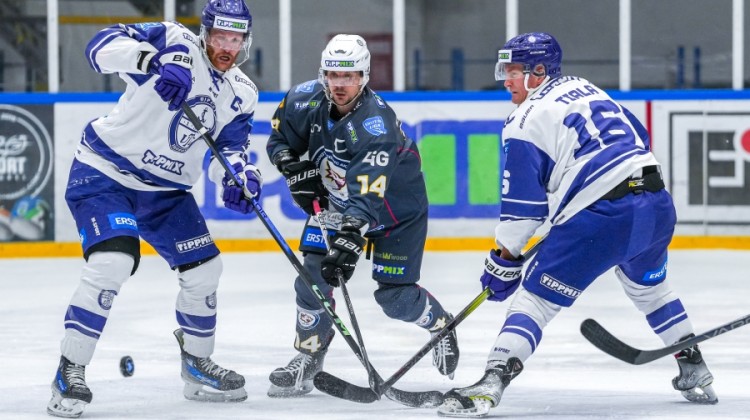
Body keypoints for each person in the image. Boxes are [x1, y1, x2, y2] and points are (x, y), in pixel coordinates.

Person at [437, 32, 718, 417]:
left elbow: (523, 210)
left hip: (602, 217)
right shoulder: (585, 88)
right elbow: (639, 136)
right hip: (656, 205)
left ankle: (491, 382)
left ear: (538, 72)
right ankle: (694, 366)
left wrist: (504, 259)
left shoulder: (523, 120)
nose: (506, 80)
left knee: (534, 300)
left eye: (514, 71)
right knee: (651, 291)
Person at [47, 0, 261, 417]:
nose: (226, 47)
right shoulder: (174, 39)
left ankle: (197, 365)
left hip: (166, 193)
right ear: (206, 33)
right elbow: (98, 47)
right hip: (106, 172)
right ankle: (69, 370)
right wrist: (152, 60)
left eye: (235, 39)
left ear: (245, 42)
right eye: (220, 37)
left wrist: (239, 178)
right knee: (112, 262)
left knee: (205, 271)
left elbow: (230, 150)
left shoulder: (242, 93)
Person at [265, 34, 459, 397]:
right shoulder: (303, 100)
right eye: (333, 75)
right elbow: (279, 141)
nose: (340, 85)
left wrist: (350, 238)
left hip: (395, 213)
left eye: (349, 76)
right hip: (337, 205)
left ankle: (441, 325)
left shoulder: (376, 125)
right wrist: (293, 168)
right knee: (311, 279)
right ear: (323, 74)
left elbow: (367, 196)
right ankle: (308, 356)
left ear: (364, 76)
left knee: (395, 300)